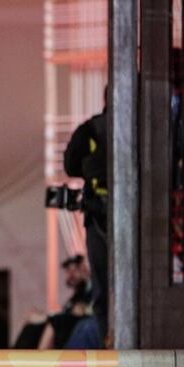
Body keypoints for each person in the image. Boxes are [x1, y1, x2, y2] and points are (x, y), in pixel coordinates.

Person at [63, 100, 108, 345]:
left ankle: (110, 348)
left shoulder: (91, 129)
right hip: (139, 217)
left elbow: (70, 165)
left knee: (103, 294)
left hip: (99, 214)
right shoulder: (146, 127)